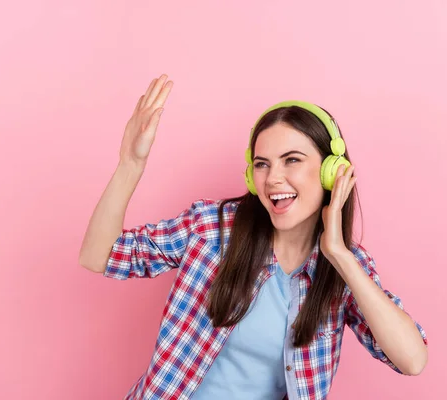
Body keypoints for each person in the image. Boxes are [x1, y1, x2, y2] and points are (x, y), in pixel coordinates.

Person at [79, 74, 428, 400]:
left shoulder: (347, 267)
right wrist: (130, 163)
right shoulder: (212, 229)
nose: (273, 178)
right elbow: (99, 256)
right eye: (262, 164)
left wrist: (339, 254)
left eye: (292, 160)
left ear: (330, 172)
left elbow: (412, 360)